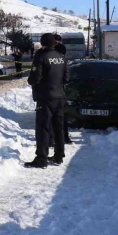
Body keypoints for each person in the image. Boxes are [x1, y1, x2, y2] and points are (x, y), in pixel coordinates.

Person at [26, 33, 68, 168]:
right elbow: (66, 78)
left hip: (46, 98)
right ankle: (59, 156)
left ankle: (41, 158)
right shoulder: (61, 57)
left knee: (43, 128)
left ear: (43, 43)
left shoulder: (41, 56)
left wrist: (31, 80)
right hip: (60, 97)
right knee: (58, 127)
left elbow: (35, 78)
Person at [53, 34, 73, 145]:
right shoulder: (47, 54)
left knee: (62, 116)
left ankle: (64, 136)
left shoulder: (62, 55)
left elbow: (66, 77)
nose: (57, 43)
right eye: (55, 42)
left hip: (60, 91)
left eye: (58, 42)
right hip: (51, 92)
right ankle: (53, 139)